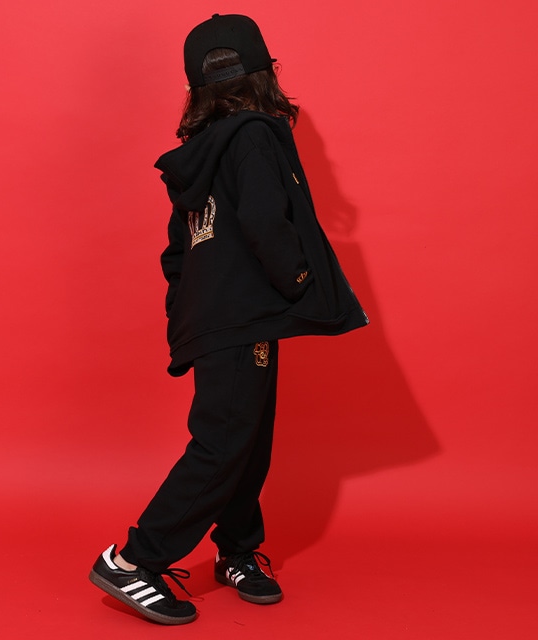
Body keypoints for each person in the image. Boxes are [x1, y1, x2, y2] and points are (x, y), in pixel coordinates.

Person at [89, 13, 368, 625]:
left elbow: (177, 251)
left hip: (216, 315)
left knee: (248, 440)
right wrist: (298, 280)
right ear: (265, 73)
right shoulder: (256, 136)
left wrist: (186, 307)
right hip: (243, 314)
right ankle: (134, 560)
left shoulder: (197, 153)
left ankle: (237, 549)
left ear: (197, 89)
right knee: (224, 444)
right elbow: (266, 222)